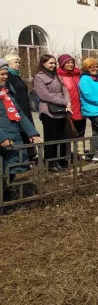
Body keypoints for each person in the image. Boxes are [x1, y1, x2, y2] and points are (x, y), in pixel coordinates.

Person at [0, 59, 42, 204]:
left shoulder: (7, 94)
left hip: (13, 138)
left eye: (6, 74)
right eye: (1, 74)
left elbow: (20, 114)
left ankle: (6, 201)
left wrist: (32, 132)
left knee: (9, 173)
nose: (5, 77)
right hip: (4, 139)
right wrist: (2, 138)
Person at [33, 54, 70, 172]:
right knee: (51, 138)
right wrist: (64, 102)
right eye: (50, 63)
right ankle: (51, 163)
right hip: (48, 112)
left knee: (61, 138)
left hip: (62, 111)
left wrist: (68, 103)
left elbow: (65, 89)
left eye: (54, 63)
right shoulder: (39, 77)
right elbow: (44, 95)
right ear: (43, 63)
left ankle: (61, 161)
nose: (53, 65)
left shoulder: (57, 75)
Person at [4, 54, 36, 159]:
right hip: (16, 108)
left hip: (24, 108)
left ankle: (30, 156)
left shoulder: (17, 76)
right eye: (15, 62)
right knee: (20, 133)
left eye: (18, 62)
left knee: (27, 131)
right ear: (8, 64)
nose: (18, 64)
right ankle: (22, 158)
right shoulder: (8, 77)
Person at [57, 54, 85, 142]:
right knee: (67, 134)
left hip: (81, 107)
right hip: (68, 108)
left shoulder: (78, 74)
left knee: (81, 132)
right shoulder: (59, 76)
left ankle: (80, 154)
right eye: (68, 63)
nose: (71, 64)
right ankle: (67, 154)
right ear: (62, 64)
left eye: (72, 62)